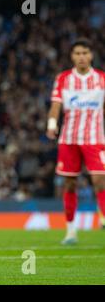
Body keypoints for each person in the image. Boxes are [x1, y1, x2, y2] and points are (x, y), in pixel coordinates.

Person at [47, 38, 105, 245]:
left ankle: (103, 216)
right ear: (72, 56)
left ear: (91, 55)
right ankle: (71, 231)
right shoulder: (63, 79)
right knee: (70, 184)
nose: (81, 57)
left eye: (85, 53)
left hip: (95, 138)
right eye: (77, 53)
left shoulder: (101, 79)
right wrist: (52, 124)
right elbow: (55, 105)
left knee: (99, 179)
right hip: (69, 138)